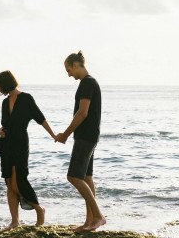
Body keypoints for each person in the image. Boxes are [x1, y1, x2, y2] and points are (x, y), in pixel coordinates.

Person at [0, 70, 56, 230]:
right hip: (5, 144)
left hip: (20, 144)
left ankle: (39, 210)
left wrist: (54, 135)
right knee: (9, 183)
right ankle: (14, 221)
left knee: (19, 182)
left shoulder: (26, 99)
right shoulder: (4, 103)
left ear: (6, 83)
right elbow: (7, 125)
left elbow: (40, 118)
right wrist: (1, 130)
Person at [54, 51, 107, 232]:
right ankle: (90, 222)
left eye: (69, 70)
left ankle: (99, 216)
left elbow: (82, 112)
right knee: (86, 177)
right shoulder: (91, 82)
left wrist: (66, 134)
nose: (68, 74)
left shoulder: (86, 84)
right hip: (90, 135)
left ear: (76, 65)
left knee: (73, 177)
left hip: (85, 137)